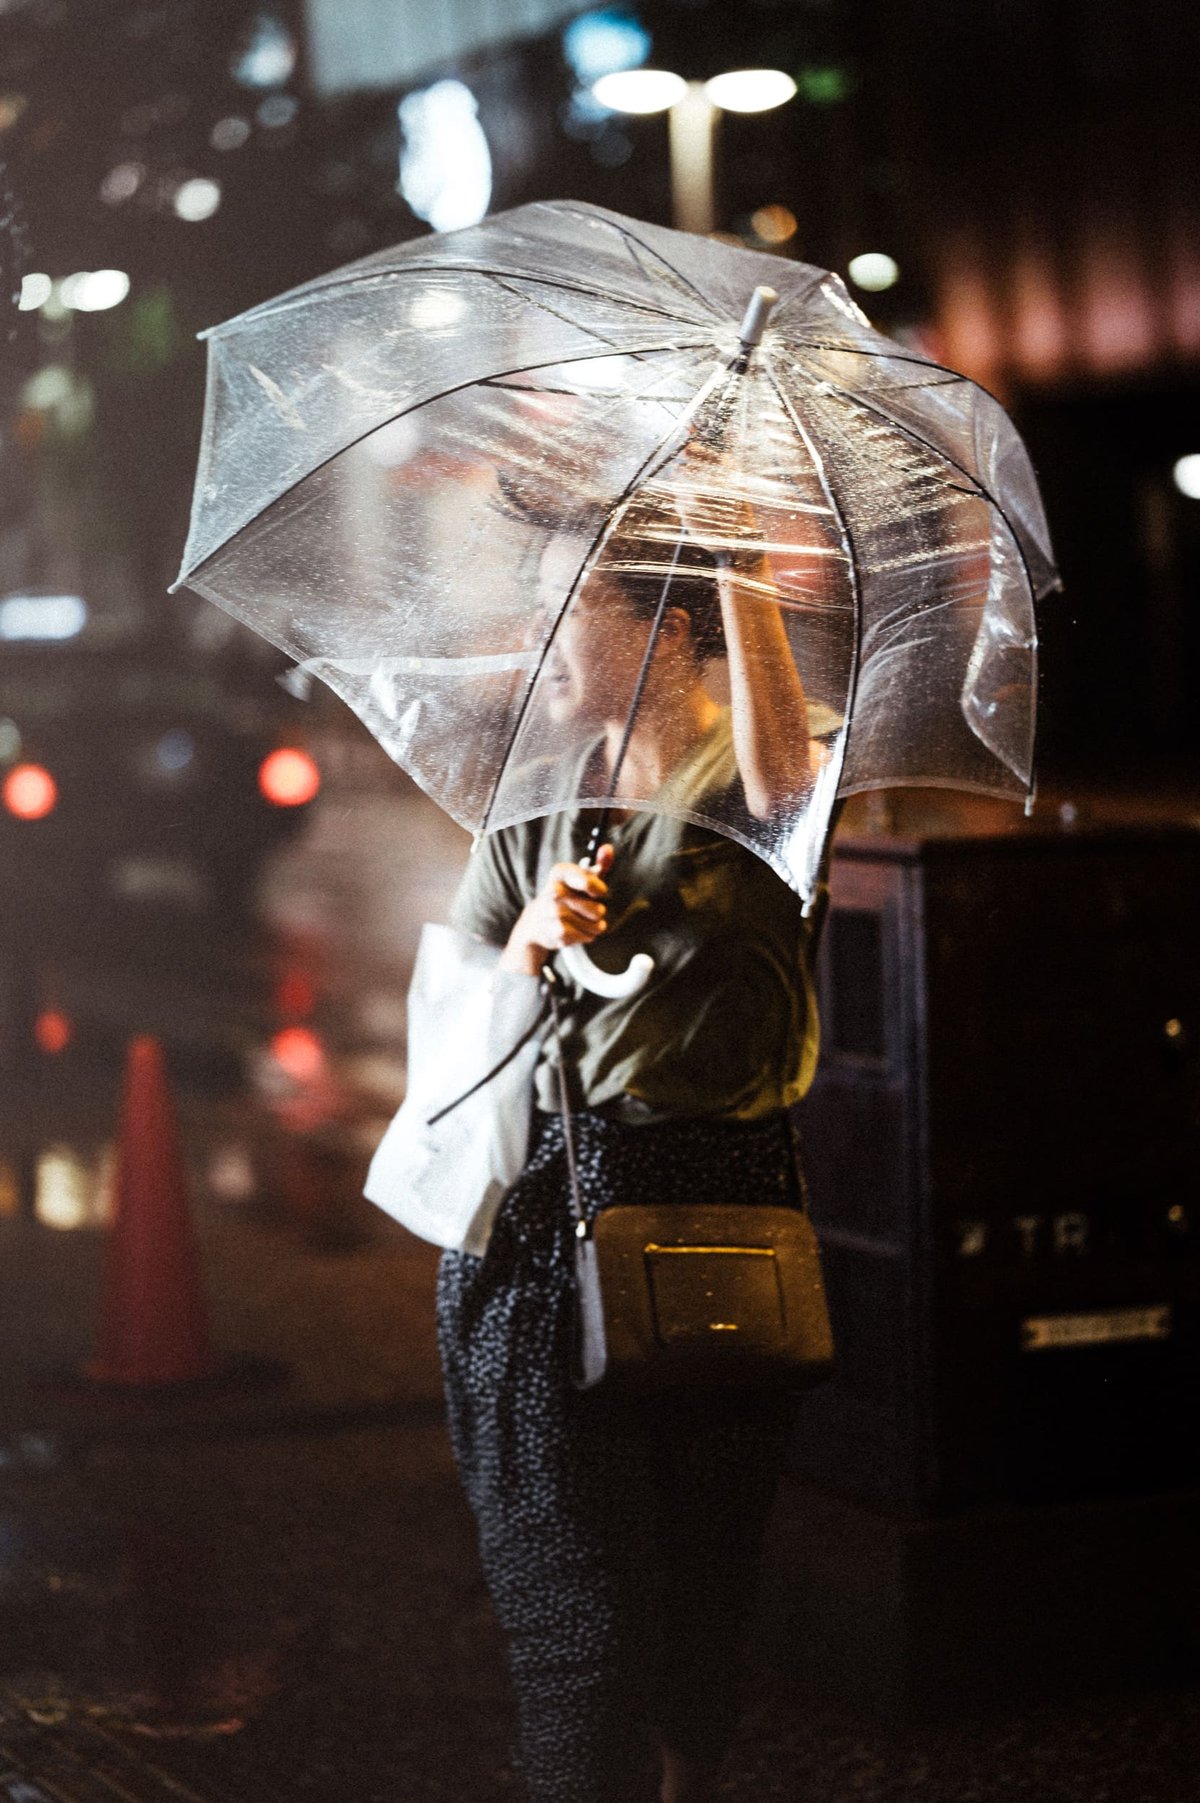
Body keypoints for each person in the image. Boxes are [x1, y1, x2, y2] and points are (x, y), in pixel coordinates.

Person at [435, 477, 825, 1803]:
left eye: (567, 610)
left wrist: (737, 557)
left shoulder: (758, 777)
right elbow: (448, 1035)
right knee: (581, 1633)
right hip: (544, 1239)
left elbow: (787, 792)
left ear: (665, 626)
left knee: (705, 1598)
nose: (537, 644)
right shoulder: (529, 815)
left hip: (723, 1217)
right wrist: (528, 947)